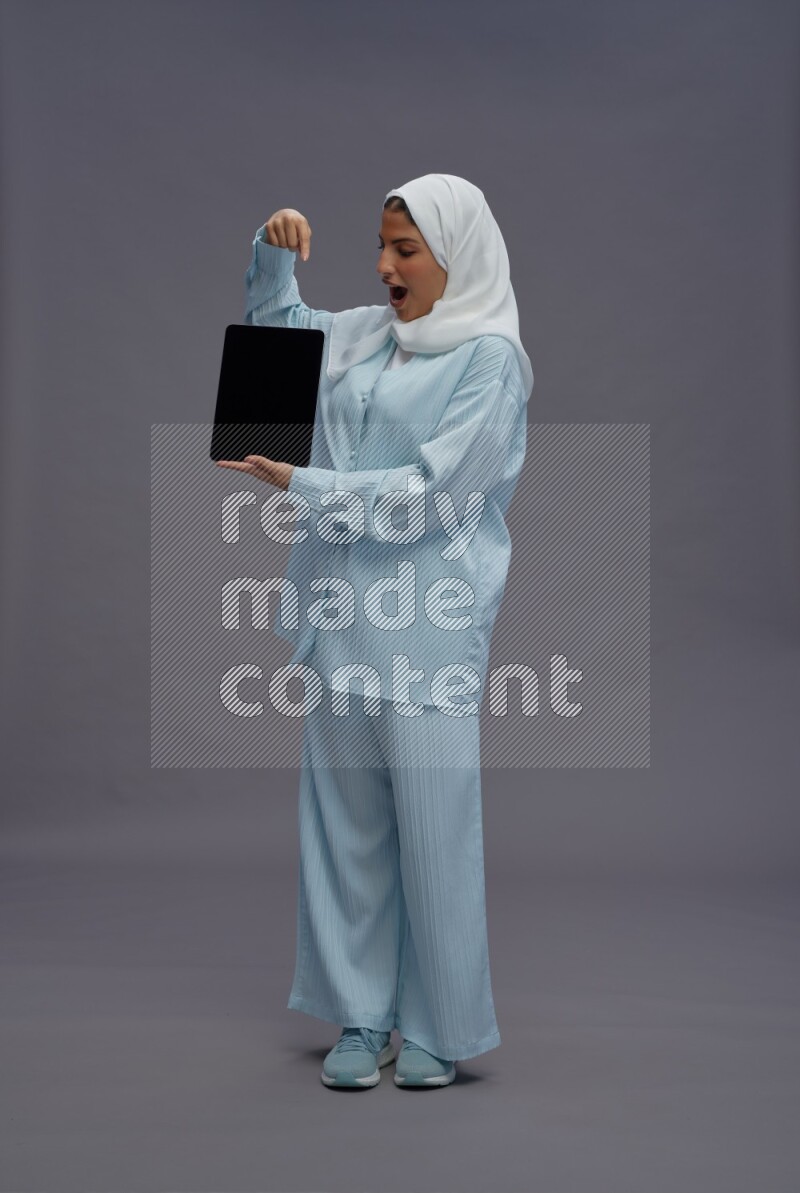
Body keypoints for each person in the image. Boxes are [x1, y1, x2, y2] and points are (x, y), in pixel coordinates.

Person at [217, 174, 533, 1089]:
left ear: (454, 257)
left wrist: (302, 486)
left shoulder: (489, 360)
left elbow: (439, 495)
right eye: (383, 247)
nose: (387, 266)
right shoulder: (365, 335)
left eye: (407, 250)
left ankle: (438, 1025)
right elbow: (278, 336)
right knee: (346, 828)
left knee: (434, 832)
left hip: (427, 625)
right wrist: (274, 252)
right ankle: (363, 1015)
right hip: (340, 619)